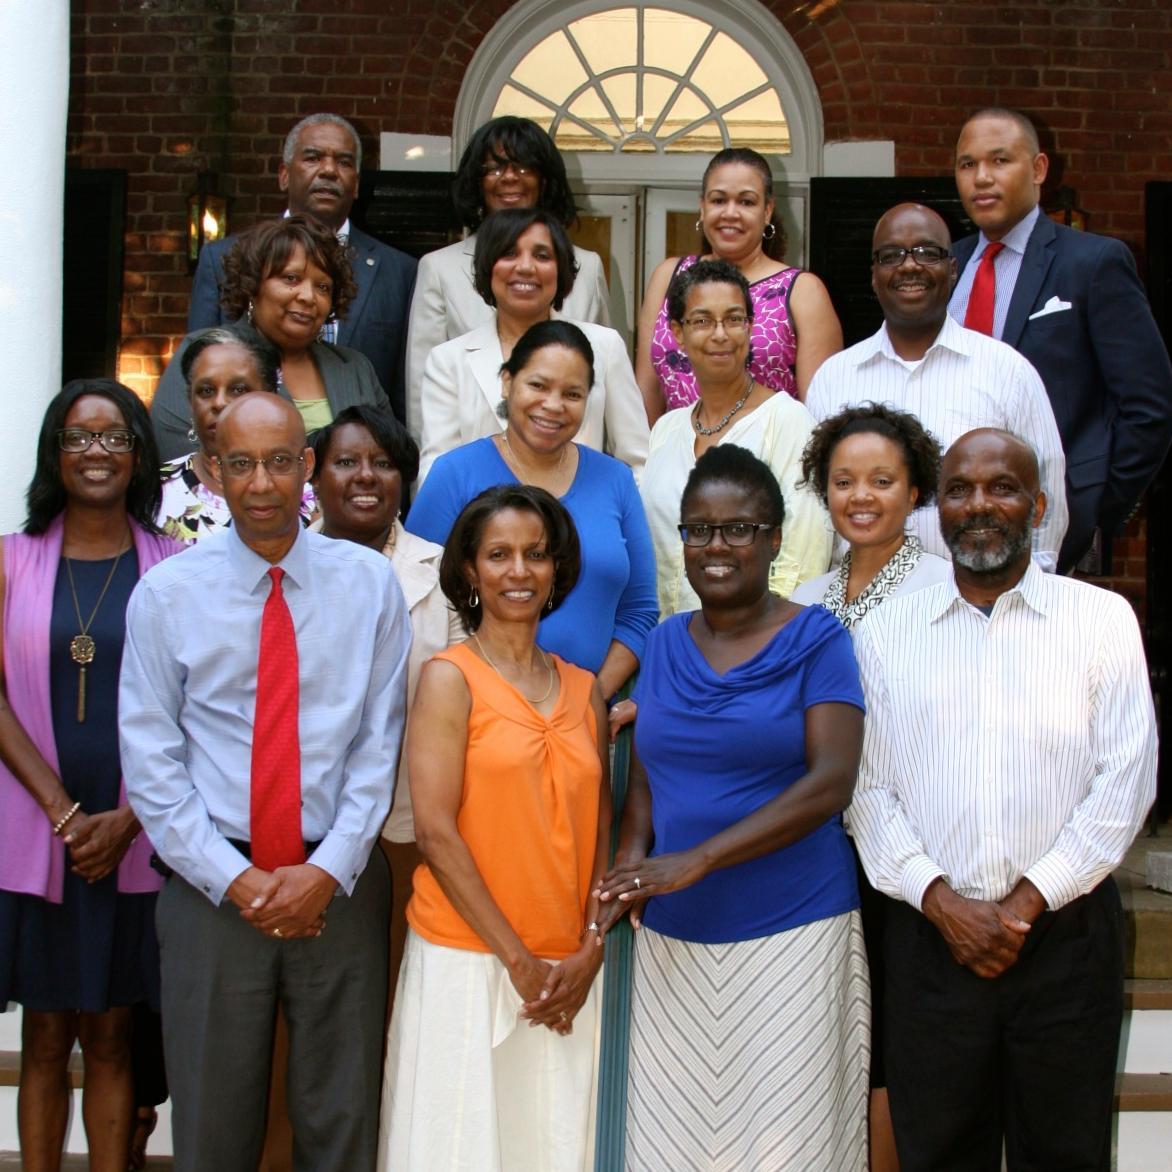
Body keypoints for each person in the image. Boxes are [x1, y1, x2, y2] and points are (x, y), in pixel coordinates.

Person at [850, 428, 1158, 1171]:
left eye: (1002, 487)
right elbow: (867, 790)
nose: (979, 505)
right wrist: (943, 906)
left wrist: (1022, 905)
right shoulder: (886, 633)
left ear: (1039, 505)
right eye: (960, 490)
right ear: (938, 510)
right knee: (939, 1153)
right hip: (930, 938)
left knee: (1065, 1153)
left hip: (1065, 936)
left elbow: (1125, 782)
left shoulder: (1101, 622)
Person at [120, 394, 411, 1172]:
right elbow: (151, 765)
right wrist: (236, 880)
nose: (261, 483)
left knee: (342, 1121)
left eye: (280, 461)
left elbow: (377, 748)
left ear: (307, 467)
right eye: (240, 463)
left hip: (340, 887)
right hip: (210, 890)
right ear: (212, 471)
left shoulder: (369, 586)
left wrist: (325, 870)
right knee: (213, 1129)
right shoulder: (167, 595)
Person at [596, 444, 869, 1170]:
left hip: (794, 932)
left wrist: (701, 858)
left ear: (774, 538)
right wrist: (629, 869)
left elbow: (830, 780)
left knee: (790, 1146)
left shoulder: (818, 639)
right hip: (673, 937)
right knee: (671, 1143)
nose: (716, 547)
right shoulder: (661, 643)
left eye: (738, 529)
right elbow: (649, 780)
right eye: (697, 529)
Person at [380, 485, 612, 1171]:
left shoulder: (584, 688)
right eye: (500, 555)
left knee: (553, 1149)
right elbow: (435, 832)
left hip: (565, 972)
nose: (519, 572)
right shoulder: (449, 680)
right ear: (470, 572)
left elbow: (600, 829)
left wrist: (590, 947)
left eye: (536, 555)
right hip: (469, 959)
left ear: (558, 568)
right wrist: (518, 962)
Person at [0, 380, 178, 1172]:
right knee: (45, 1033)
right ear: (55, 455)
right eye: (77, 438)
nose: (96, 452)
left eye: (113, 438)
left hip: (134, 834)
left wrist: (131, 817)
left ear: (138, 455)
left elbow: (195, 709)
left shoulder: (173, 566)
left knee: (112, 1034)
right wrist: (67, 815)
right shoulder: (10, 561)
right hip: (38, 834)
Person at [791, 402, 949, 1172]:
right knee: (830, 1031)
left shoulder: (945, 589)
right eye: (844, 480)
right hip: (819, 847)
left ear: (915, 490)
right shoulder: (811, 595)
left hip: (910, 849)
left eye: (882, 480)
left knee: (890, 1038)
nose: (861, 496)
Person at [949, 107, 1172, 572]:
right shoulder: (947, 267)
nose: (982, 178)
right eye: (967, 164)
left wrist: (1096, 511)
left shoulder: (1093, 263)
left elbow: (1148, 406)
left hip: (1057, 527)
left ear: (1038, 169)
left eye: (999, 160)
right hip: (953, 529)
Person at [806, 201, 1068, 571]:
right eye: (892, 255)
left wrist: (1022, 594)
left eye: (927, 253)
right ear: (873, 274)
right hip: (859, 608)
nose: (909, 265)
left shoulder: (1007, 371)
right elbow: (814, 508)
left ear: (953, 269)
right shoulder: (833, 379)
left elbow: (1047, 494)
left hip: (975, 609)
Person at [408, 321, 656, 704]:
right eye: (538, 386)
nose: (553, 405)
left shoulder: (615, 480)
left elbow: (639, 611)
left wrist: (590, 700)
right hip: (480, 714)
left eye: (572, 393)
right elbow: (420, 604)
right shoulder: (455, 474)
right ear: (507, 382)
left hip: (588, 718)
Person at [310, 405, 462, 999]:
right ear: (314, 477)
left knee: (398, 993)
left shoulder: (445, 570)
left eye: (384, 463)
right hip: (306, 831)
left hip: (408, 826)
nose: (366, 476)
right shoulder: (280, 565)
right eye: (345, 462)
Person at [189, 112, 416, 425]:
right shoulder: (223, 258)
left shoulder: (402, 272)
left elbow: (404, 396)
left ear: (357, 185)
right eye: (313, 157)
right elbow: (196, 370)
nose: (329, 170)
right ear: (284, 174)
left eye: (344, 162)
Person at [639, 258, 830, 617]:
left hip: (753, 649)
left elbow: (804, 559)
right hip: (665, 646)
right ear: (678, 332)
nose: (720, 334)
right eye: (702, 321)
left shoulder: (787, 422)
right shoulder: (666, 430)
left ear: (750, 326)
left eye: (733, 319)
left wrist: (759, 646)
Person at [406, 114, 609, 434]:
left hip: (571, 463)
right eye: (494, 167)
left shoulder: (587, 267)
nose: (510, 177)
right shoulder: (438, 268)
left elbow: (604, 382)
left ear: (545, 180)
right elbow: (421, 397)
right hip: (475, 464)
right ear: (477, 181)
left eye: (524, 166)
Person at [416, 207, 648, 481]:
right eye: (509, 253)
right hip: (480, 519)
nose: (525, 267)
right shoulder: (448, 360)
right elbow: (436, 471)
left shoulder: (605, 347)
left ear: (561, 269)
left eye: (542, 255)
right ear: (488, 266)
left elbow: (638, 464)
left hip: (579, 521)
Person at [154, 215, 392, 461]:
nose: (308, 296)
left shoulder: (355, 368)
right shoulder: (204, 353)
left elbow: (390, 456)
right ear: (253, 285)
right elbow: (177, 452)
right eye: (291, 278)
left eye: (323, 287)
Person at [636, 146, 842, 422]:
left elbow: (820, 415)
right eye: (719, 200)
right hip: (679, 454)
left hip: (768, 459)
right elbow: (645, 394)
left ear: (767, 210)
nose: (730, 213)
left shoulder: (803, 291)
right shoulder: (668, 277)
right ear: (702, 206)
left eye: (746, 202)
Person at [157, 326, 316, 541]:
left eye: (238, 389)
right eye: (206, 391)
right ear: (190, 401)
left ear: (269, 395)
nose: (219, 402)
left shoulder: (310, 499)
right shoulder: (153, 493)